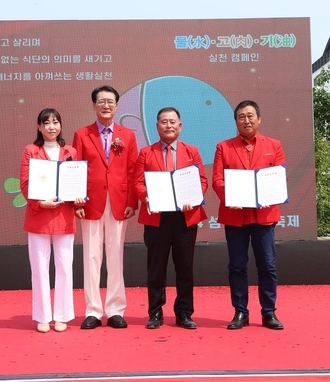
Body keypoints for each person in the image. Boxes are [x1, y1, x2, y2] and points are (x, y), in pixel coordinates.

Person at [212, 100, 285, 330]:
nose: (246, 120)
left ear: (259, 119)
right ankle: (240, 311)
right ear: (235, 121)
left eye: (250, 115)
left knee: (268, 265)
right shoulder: (223, 147)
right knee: (237, 266)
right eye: (241, 117)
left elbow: (277, 179)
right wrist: (231, 196)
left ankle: (269, 312)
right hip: (235, 216)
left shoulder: (274, 145)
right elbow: (217, 180)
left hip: (264, 216)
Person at [134, 107, 208, 330]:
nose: (168, 125)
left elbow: (201, 181)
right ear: (157, 126)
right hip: (157, 217)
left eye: (172, 121)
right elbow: (137, 182)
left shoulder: (192, 151)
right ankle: (155, 313)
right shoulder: (146, 153)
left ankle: (184, 313)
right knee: (156, 268)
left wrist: (193, 198)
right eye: (164, 122)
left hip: (185, 217)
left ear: (180, 125)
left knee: (185, 267)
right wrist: (147, 198)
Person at [72, 85, 139, 329]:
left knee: (115, 256)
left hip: (119, 202)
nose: (106, 105)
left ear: (117, 105)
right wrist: (76, 200)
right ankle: (92, 310)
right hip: (90, 202)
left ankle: (115, 310)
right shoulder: (82, 134)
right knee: (91, 256)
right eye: (101, 101)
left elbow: (133, 170)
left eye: (110, 101)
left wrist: (133, 202)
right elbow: (76, 169)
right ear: (94, 105)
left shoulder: (128, 135)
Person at [20, 108, 85, 333]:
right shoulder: (31, 150)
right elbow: (25, 183)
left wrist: (78, 200)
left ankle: (62, 315)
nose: (51, 127)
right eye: (46, 123)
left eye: (55, 122)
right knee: (39, 268)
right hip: (39, 216)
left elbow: (77, 181)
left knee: (65, 267)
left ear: (60, 125)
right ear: (39, 126)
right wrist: (39, 203)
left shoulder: (71, 151)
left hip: (64, 217)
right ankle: (42, 316)